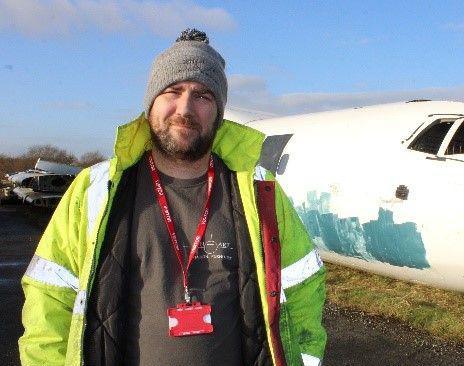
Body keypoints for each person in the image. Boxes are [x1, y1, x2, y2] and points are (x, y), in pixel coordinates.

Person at [18, 28, 326, 366]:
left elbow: (303, 291)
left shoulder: (260, 191)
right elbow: (49, 303)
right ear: (150, 104)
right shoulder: (95, 190)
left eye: (203, 96)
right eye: (172, 91)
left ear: (219, 113)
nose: (185, 108)